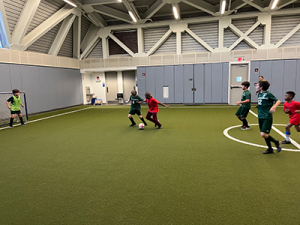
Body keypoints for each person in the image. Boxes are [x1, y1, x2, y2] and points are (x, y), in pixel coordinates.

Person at [256, 81, 281, 154]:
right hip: (260, 116)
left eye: (257, 85)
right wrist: (257, 90)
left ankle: (277, 143)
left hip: (267, 116)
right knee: (265, 135)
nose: (256, 86)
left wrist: (274, 106)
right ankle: (270, 149)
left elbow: (278, 101)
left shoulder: (268, 94)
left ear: (261, 87)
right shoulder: (260, 94)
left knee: (263, 134)